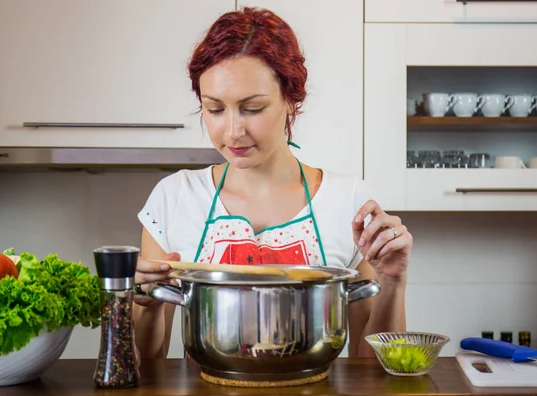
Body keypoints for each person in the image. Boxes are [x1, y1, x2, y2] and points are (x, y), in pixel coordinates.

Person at [133, 7, 412, 359]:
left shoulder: (349, 201)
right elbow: (147, 365)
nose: (233, 131)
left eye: (252, 108)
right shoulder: (174, 199)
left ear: (291, 99)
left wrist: (392, 282)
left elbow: (372, 369)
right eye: (215, 110)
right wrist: (145, 302)